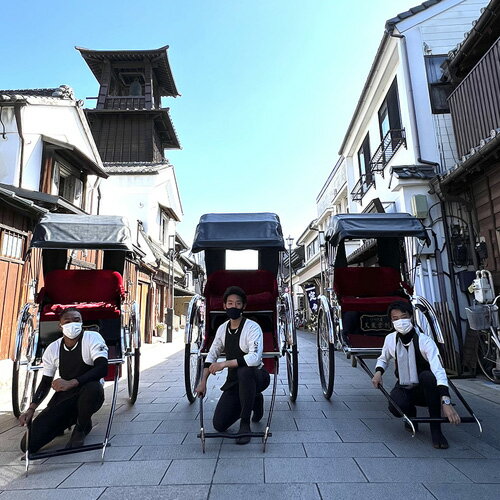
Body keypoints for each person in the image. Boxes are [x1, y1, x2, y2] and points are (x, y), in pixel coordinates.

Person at [372, 300, 460, 449]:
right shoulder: (390, 339)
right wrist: (378, 373)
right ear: (391, 321)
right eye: (395, 319)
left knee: (428, 376)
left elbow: (439, 370)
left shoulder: (425, 341)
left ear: (411, 317)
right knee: (395, 406)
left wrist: (446, 401)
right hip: (405, 385)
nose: (400, 321)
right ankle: (411, 413)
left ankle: (436, 431)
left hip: (428, 390)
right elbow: (383, 358)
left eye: (404, 316)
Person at [19, 307, 108, 453]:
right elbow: (46, 382)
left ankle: (81, 426)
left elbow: (102, 368)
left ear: (82, 323)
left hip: (89, 394)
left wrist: (72, 382)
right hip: (65, 397)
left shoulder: (92, 338)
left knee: (94, 387)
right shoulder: (53, 348)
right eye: (67, 321)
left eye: (76, 320)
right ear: (60, 326)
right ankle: (69, 420)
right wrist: (31, 408)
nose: (72, 324)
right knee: (28, 445)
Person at [195, 286, 270, 445]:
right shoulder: (222, 329)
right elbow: (212, 354)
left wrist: (225, 364)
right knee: (219, 425)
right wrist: (203, 383)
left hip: (257, 377)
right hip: (235, 382)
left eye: (237, 303)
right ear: (224, 306)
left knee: (244, 371)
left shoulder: (252, 327)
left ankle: (245, 424)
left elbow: (255, 358)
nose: (233, 307)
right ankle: (255, 400)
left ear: (243, 306)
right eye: (229, 303)